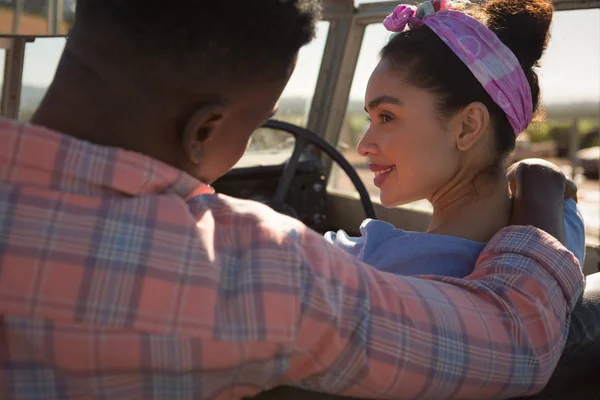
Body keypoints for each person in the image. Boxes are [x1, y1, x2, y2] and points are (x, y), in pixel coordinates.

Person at [0, 1, 583, 399]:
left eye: (386, 116)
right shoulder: (258, 274)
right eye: (253, 129)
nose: (367, 138)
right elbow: (518, 339)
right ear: (204, 131)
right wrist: (541, 196)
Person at [326, 0, 587, 277]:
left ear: (468, 127)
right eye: (371, 119)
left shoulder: (366, 265)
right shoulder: (565, 225)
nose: (363, 146)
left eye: (387, 117)